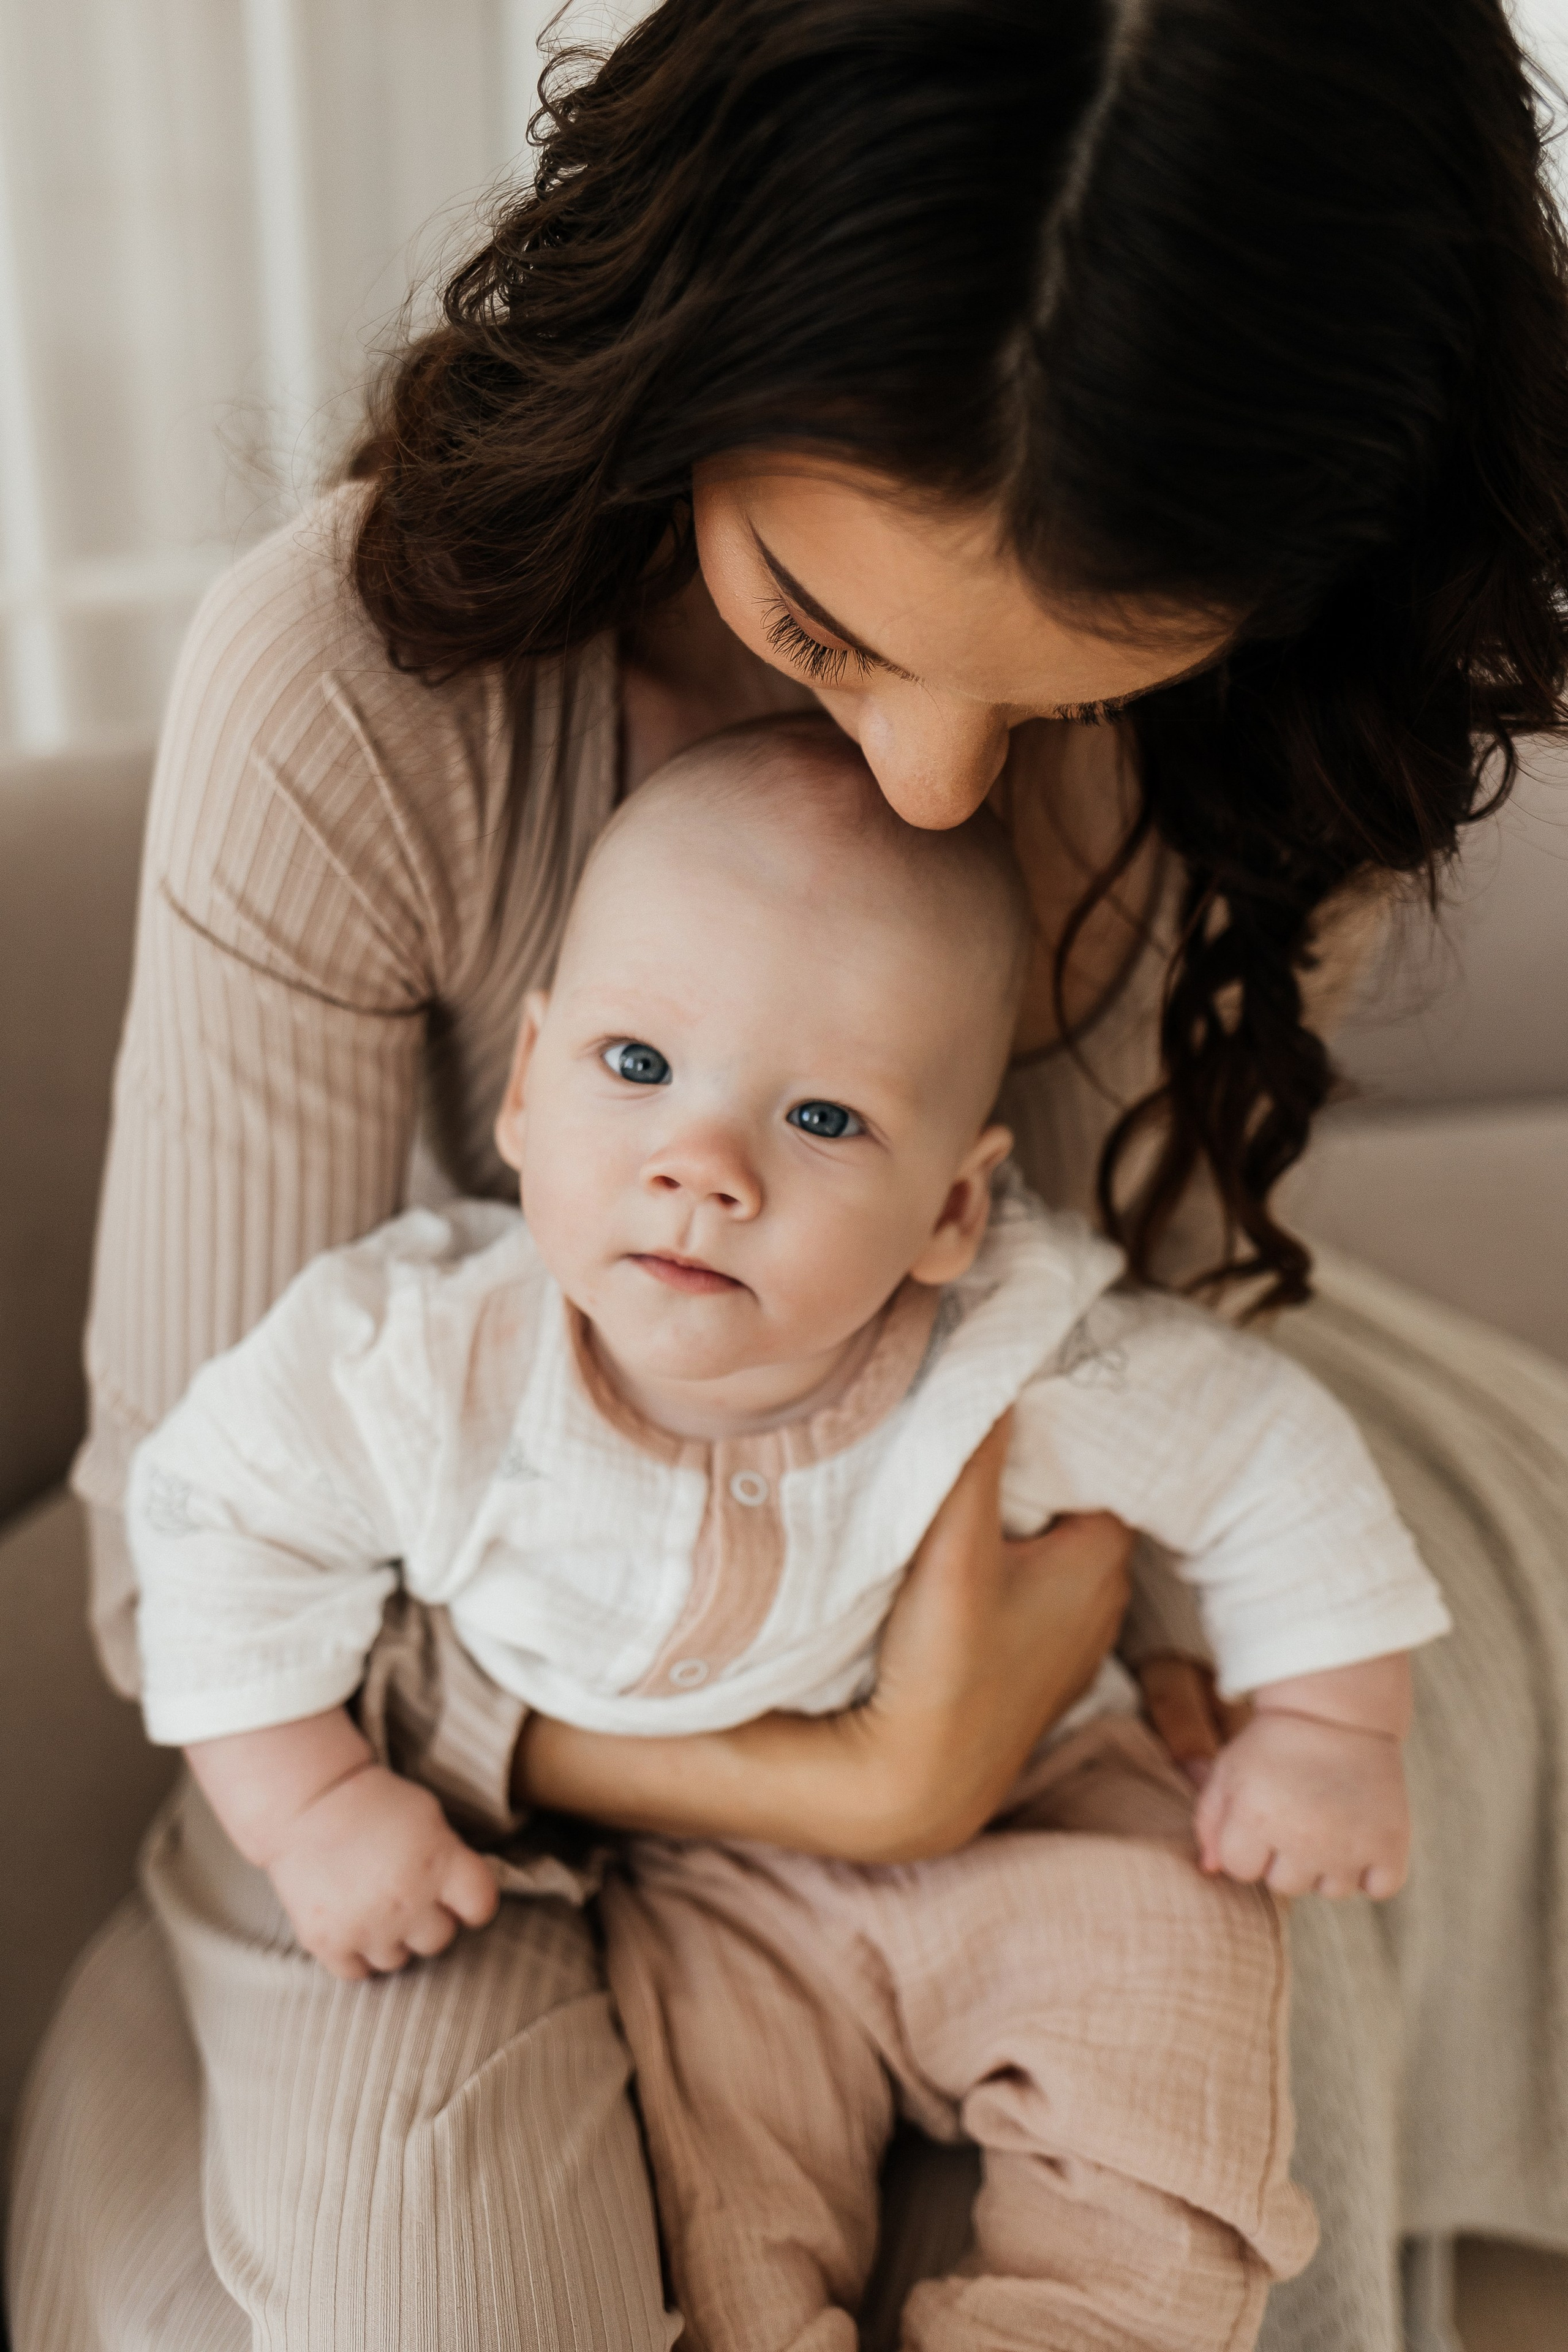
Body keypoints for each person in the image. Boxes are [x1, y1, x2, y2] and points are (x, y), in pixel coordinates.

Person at [9, 2, 1568, 2348]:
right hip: (475, 1664)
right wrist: (854, 1783)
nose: (939, 791)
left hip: (1033, 1613)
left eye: (1069, 694)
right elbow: (200, 1536)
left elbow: (1132, 1381)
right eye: (822, 622)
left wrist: (1073, 1738)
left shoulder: (1275, 720)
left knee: (1209, 2176)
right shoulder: (356, 699)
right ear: (684, 365)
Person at [124, 720, 1459, 2346]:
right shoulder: (419, 1365)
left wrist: (1328, 1725)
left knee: (1173, 2057)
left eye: (823, 1119)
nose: (704, 1169)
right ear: (528, 1086)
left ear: (952, 1210)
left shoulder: (1016, 1353)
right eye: (637, 1068)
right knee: (729, 2205)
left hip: (1044, 1822)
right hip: (705, 1889)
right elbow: (207, 1516)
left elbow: (1259, 1450)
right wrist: (314, 1804)